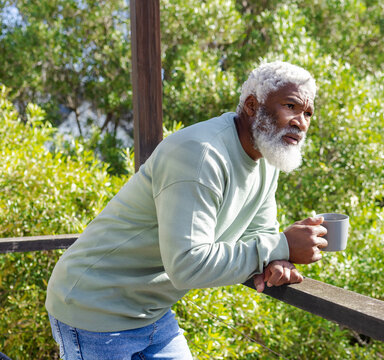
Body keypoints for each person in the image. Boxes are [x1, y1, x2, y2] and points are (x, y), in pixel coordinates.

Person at [45, 61, 328, 359]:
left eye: (308, 113)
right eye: (291, 106)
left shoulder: (266, 159)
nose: (301, 122)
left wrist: (275, 258)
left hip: (151, 311)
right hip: (93, 307)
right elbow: (188, 266)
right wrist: (282, 245)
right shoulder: (201, 154)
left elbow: (260, 231)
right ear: (252, 105)